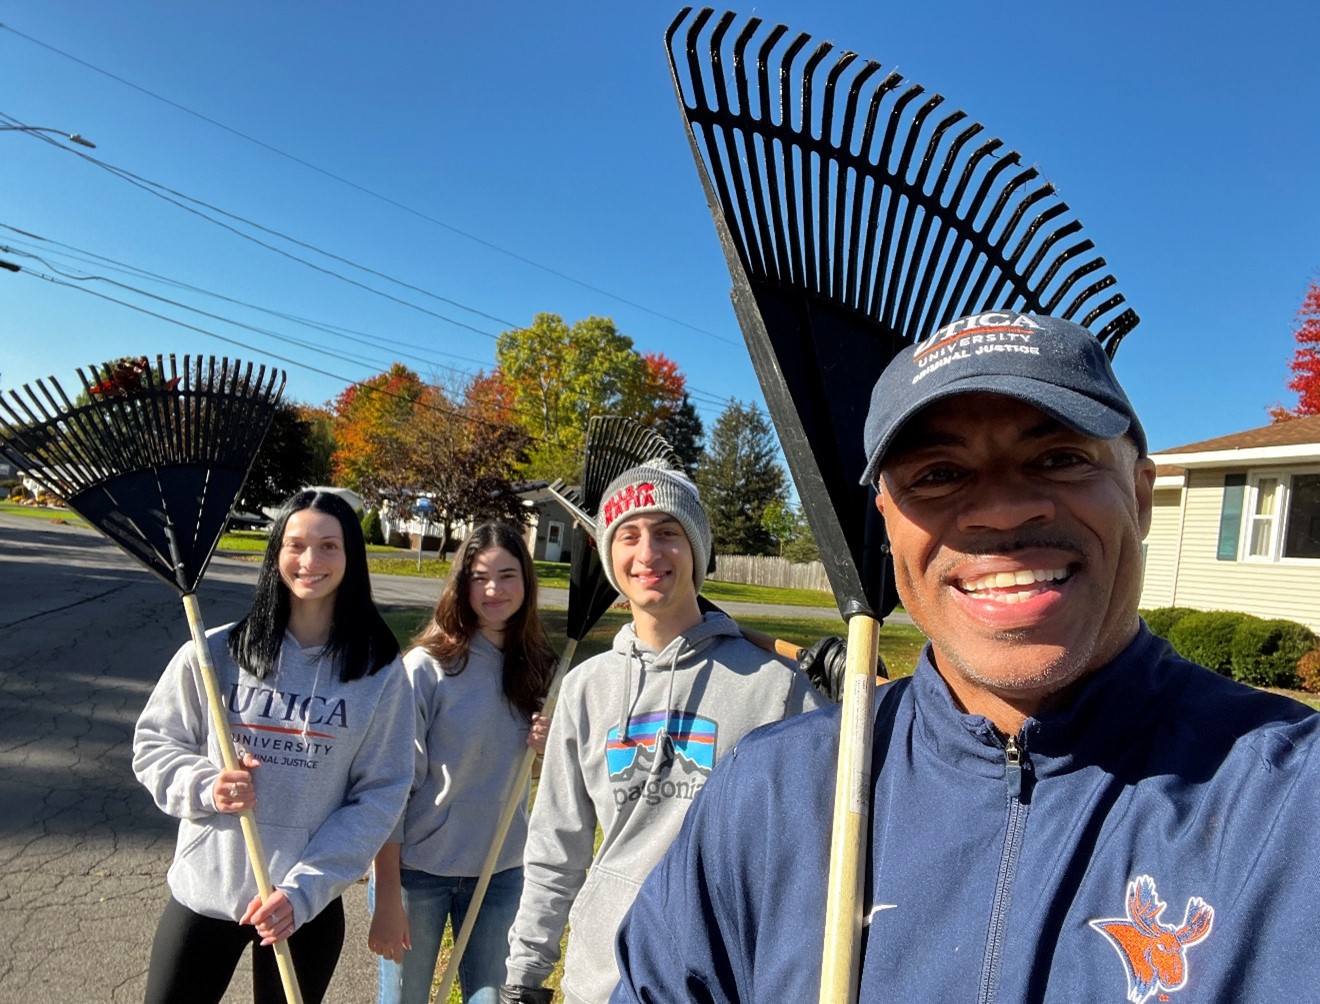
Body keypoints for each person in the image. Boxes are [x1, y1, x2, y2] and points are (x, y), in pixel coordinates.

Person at [610, 310, 1320, 1002]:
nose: (1002, 510)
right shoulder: (773, 796)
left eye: (1059, 458)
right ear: (887, 525)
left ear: (1140, 497)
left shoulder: (1288, 808)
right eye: (939, 474)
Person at [500, 458, 829, 1004]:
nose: (648, 553)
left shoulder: (777, 686)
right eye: (628, 535)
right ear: (611, 557)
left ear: (696, 549)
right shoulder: (587, 688)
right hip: (603, 976)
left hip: (726, 979)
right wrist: (524, 973)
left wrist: (855, 703)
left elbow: (826, 840)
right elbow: (557, 845)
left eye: (667, 533)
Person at [133, 489, 416, 1004]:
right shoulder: (213, 652)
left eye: (329, 546)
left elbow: (381, 793)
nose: (311, 561)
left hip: (303, 906)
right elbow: (155, 744)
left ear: (351, 557)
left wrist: (303, 891)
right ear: (276, 554)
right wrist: (207, 785)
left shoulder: (379, 672)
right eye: (296, 545)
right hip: (207, 890)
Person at [368, 523, 556, 1004]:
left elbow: (535, 781)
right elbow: (389, 785)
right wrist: (388, 894)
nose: (493, 590)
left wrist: (547, 748)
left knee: (488, 999)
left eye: (507, 575)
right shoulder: (427, 667)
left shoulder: (541, 667)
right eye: (479, 577)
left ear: (526, 582)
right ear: (461, 584)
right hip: (419, 872)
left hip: (500, 871)